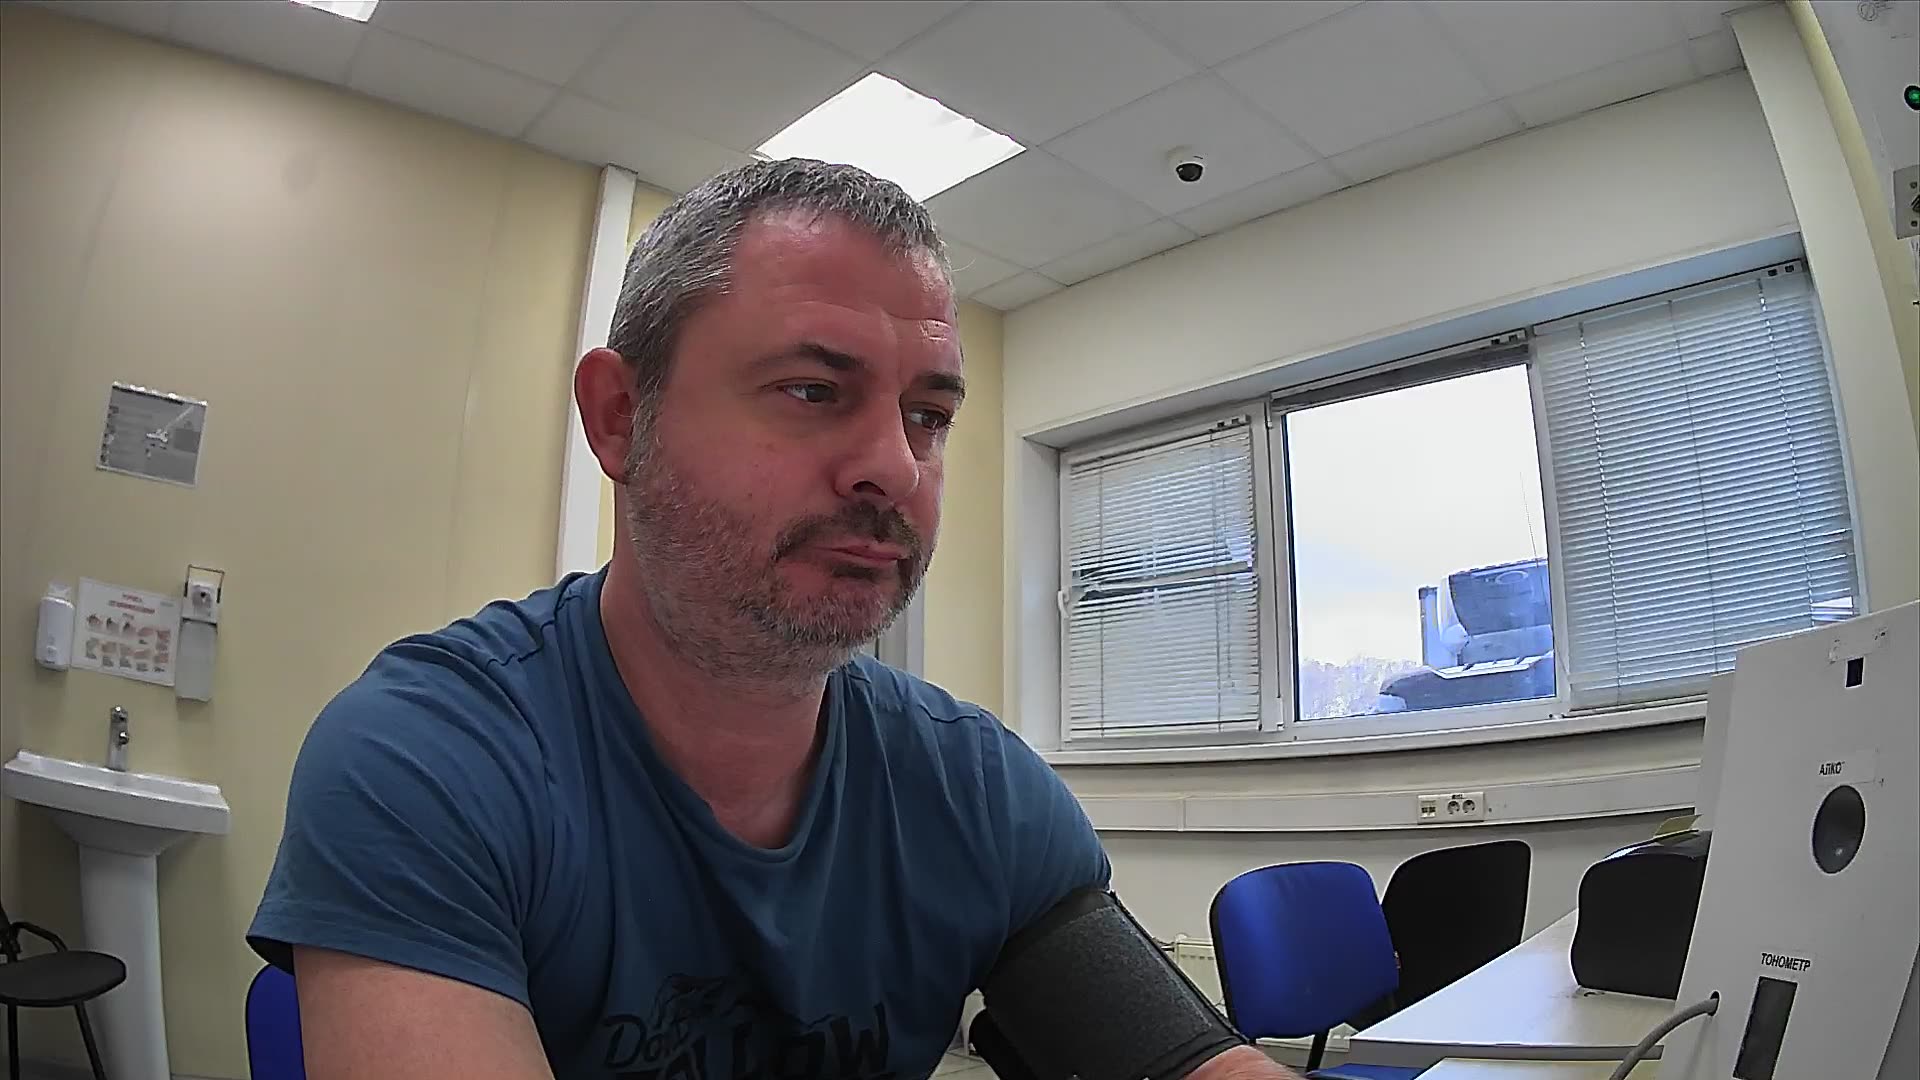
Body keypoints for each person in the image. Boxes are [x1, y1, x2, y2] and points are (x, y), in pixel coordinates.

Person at [250, 158, 1298, 1080]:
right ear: (620, 418)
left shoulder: (975, 792)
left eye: (928, 416)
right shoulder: (431, 757)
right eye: (811, 390)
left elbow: (1189, 1064)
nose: (896, 466)